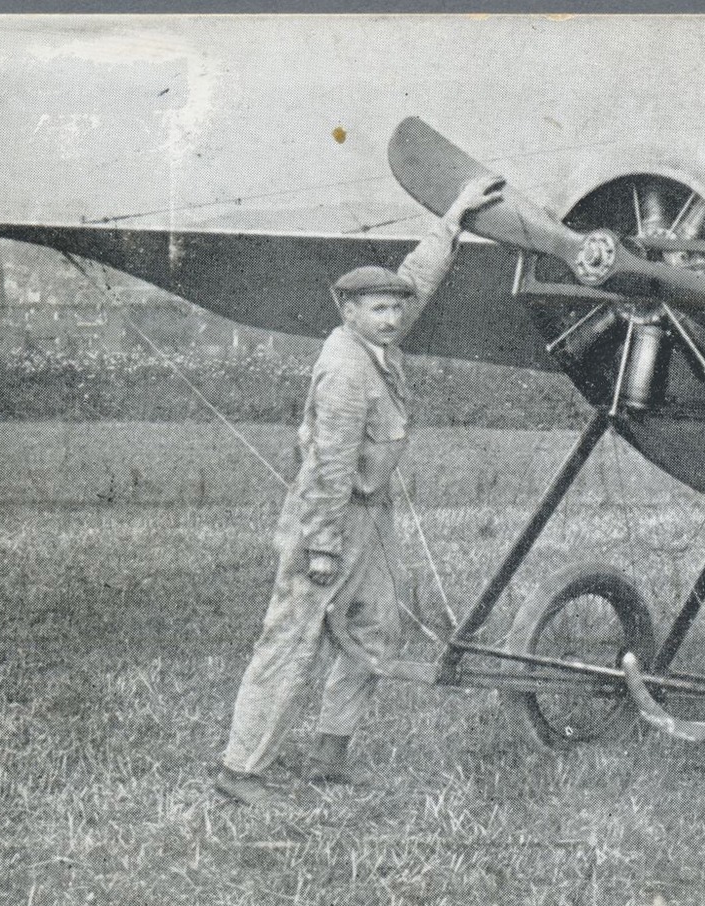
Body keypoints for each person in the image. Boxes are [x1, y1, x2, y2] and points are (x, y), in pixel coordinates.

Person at [214, 175, 504, 806]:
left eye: (395, 308)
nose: (394, 315)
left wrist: (452, 215)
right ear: (348, 312)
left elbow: (416, 279)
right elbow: (327, 465)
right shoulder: (345, 368)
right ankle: (241, 770)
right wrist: (320, 545)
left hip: (369, 515)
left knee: (375, 628)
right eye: (379, 308)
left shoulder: (378, 342)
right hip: (333, 515)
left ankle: (327, 754)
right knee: (294, 637)